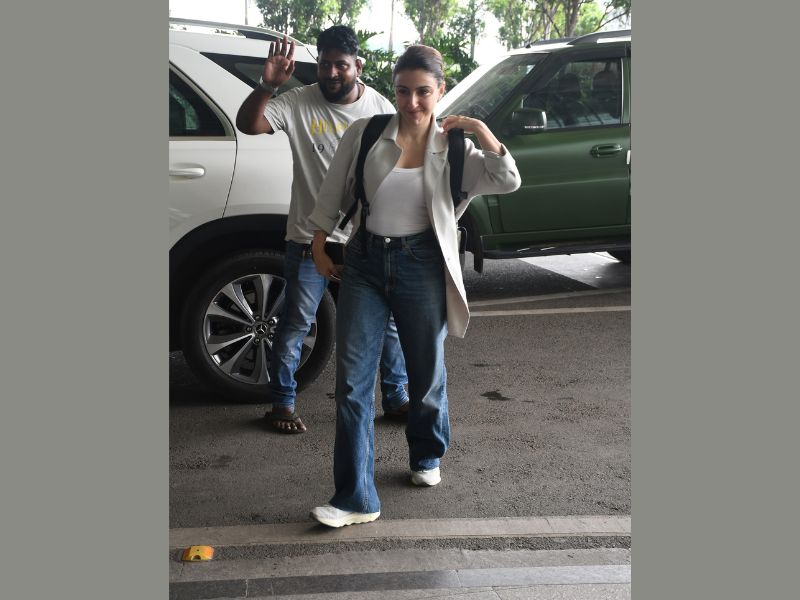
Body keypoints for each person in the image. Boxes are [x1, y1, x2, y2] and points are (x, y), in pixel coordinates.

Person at [307, 45, 521, 527]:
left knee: (426, 374)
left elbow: (508, 180)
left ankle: (426, 452)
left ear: (440, 91)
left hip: (423, 263)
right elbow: (332, 192)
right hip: (364, 262)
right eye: (403, 91)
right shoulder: (366, 133)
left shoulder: (457, 149)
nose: (412, 103)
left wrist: (481, 130)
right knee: (352, 383)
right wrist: (318, 243)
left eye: (423, 92)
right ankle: (355, 498)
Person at [236, 26, 409, 434]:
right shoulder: (299, 101)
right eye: (325, 64)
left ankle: (397, 397)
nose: (331, 73)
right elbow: (249, 123)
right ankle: (282, 404)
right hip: (307, 237)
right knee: (297, 321)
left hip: (364, 239)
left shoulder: (380, 108)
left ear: (358, 66)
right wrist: (267, 85)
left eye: (340, 65)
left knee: (386, 322)